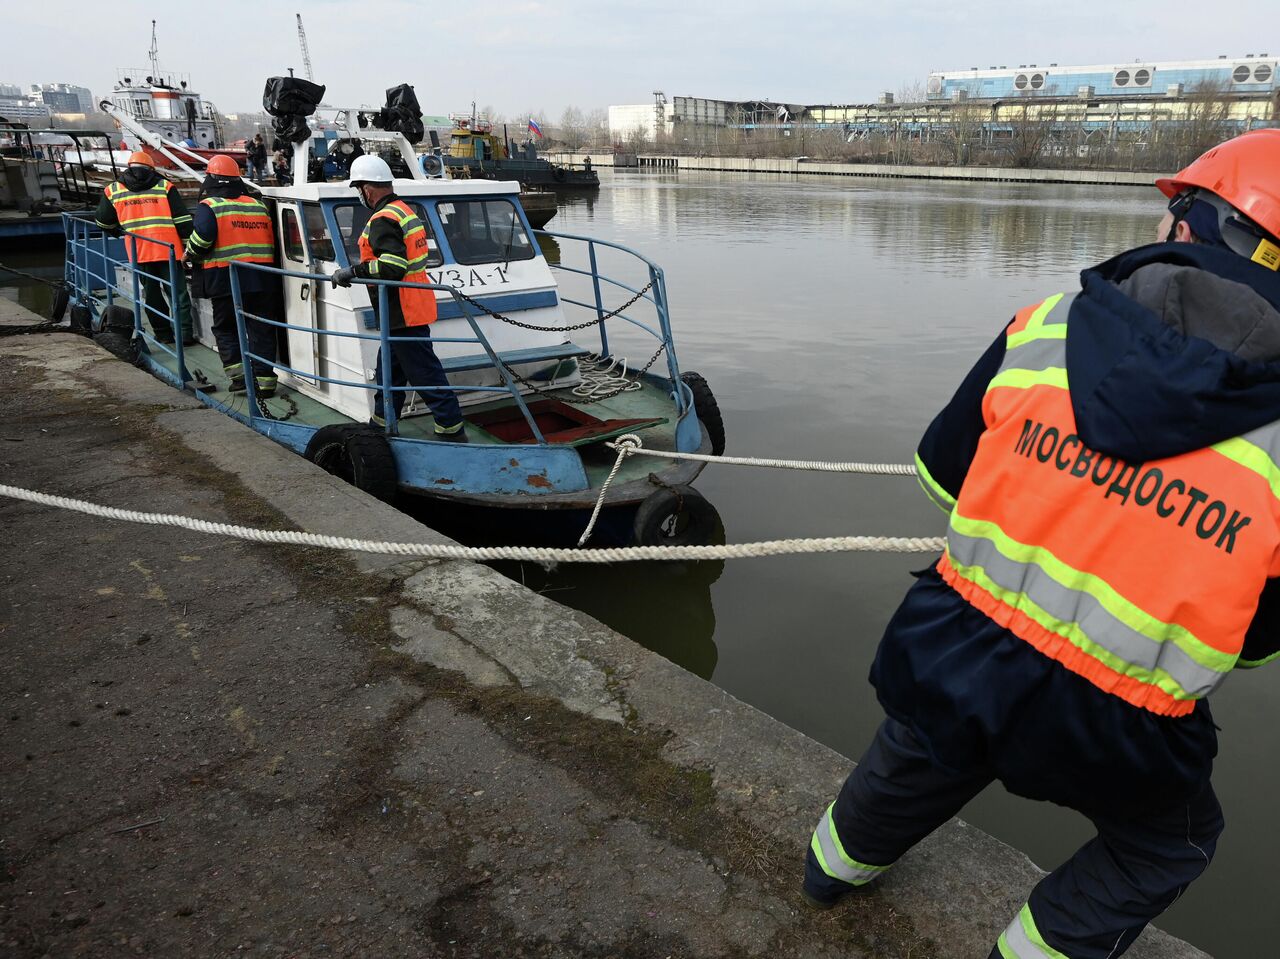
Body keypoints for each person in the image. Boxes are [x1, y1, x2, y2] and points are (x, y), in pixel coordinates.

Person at [803, 128, 1280, 958]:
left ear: (1192, 225)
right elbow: (1254, 646)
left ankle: (828, 875)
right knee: (1172, 840)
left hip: (959, 647)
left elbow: (939, 478)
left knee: (927, 744)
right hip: (1120, 727)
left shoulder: (1043, 328)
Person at [329, 154, 465, 440]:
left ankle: (451, 427)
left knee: (424, 372)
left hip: (402, 309)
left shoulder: (383, 219)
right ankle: (381, 422)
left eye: (359, 189)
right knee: (389, 371)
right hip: (405, 307)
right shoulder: (404, 210)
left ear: (367, 188)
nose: (360, 195)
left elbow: (392, 266)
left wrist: (354, 271)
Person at [184, 154, 280, 397]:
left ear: (211, 179)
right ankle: (265, 382)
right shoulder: (257, 205)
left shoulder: (212, 206)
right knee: (261, 329)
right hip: (262, 278)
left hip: (225, 277)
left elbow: (203, 237)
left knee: (226, 327)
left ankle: (240, 379)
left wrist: (188, 254)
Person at [94, 150, 194, 344]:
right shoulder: (165, 186)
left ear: (129, 168)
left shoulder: (113, 190)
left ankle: (164, 334)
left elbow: (103, 221)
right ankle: (185, 336)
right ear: (151, 168)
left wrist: (120, 233)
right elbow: (182, 220)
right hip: (169, 250)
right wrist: (188, 249)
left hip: (139, 251)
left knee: (152, 296)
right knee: (178, 294)